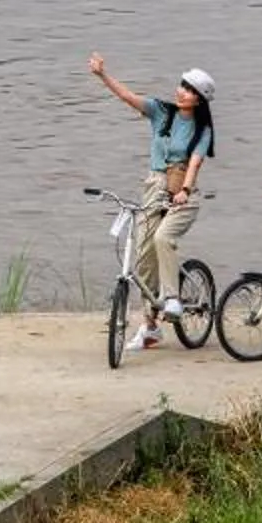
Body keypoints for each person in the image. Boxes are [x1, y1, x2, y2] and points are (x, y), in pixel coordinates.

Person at [87, 52, 215, 353]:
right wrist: (102, 75)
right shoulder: (161, 112)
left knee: (163, 238)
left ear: (199, 99)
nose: (181, 91)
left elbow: (194, 164)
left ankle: (173, 298)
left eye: (189, 90)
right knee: (143, 258)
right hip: (153, 188)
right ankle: (151, 326)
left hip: (182, 193)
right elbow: (127, 96)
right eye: (182, 86)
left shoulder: (202, 130)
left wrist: (184, 190)